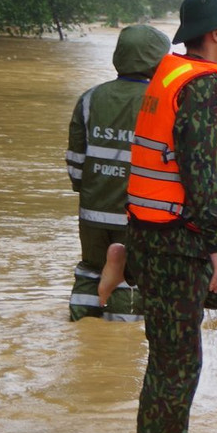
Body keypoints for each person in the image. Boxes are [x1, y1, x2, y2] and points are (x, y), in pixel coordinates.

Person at [97, 0, 217, 433]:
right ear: (216, 34)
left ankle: (128, 262)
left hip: (155, 232)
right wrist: (214, 243)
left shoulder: (171, 72)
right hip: (179, 239)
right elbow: (200, 172)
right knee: (175, 363)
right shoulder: (202, 85)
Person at [66, 24, 170, 321]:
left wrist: (90, 190)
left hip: (92, 211)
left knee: (90, 268)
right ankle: (116, 345)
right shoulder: (160, 101)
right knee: (128, 276)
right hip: (136, 213)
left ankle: (81, 324)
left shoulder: (90, 98)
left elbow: (75, 161)